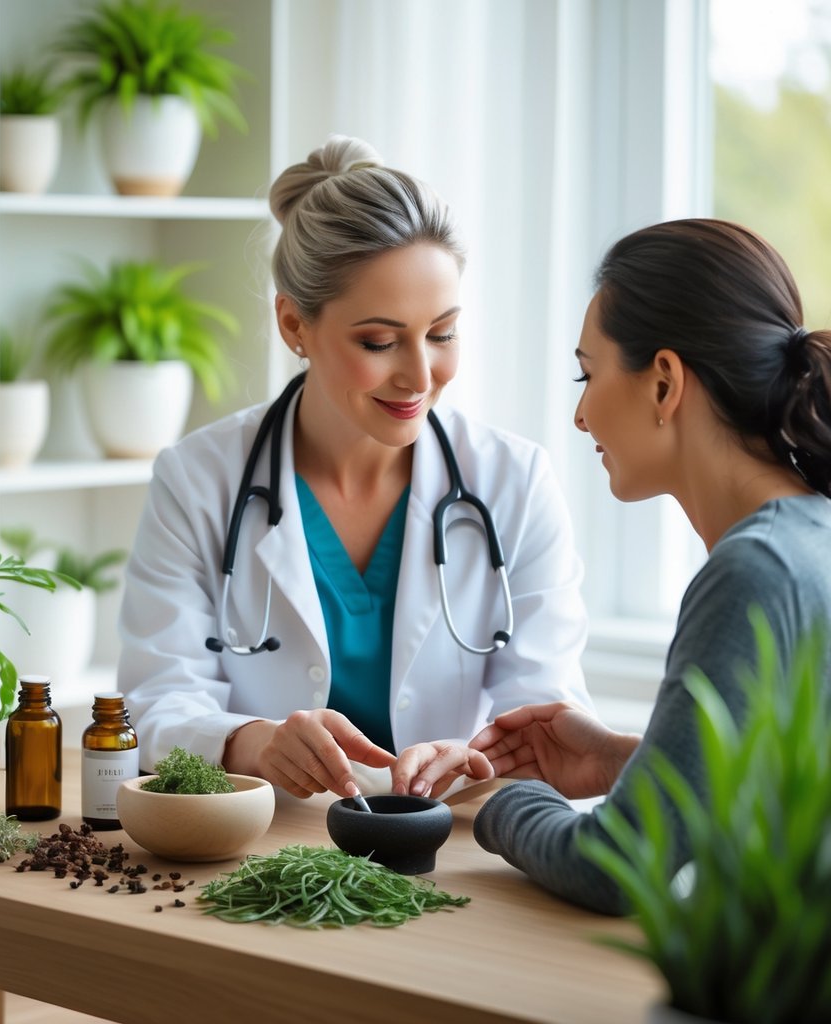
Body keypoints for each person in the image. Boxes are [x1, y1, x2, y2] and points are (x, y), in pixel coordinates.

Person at [117, 135, 592, 801]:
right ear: (293, 325)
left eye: (443, 333)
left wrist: (479, 756)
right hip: (265, 846)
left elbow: (548, 707)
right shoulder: (198, 480)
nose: (421, 376)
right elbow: (155, 700)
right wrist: (251, 740)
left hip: (452, 845)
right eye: (379, 341)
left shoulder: (514, 482)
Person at [469, 218, 831, 914]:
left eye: (589, 372)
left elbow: (618, 865)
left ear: (664, 383)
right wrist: (624, 763)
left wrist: (500, 796)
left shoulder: (754, 570)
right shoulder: (810, 534)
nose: (579, 415)